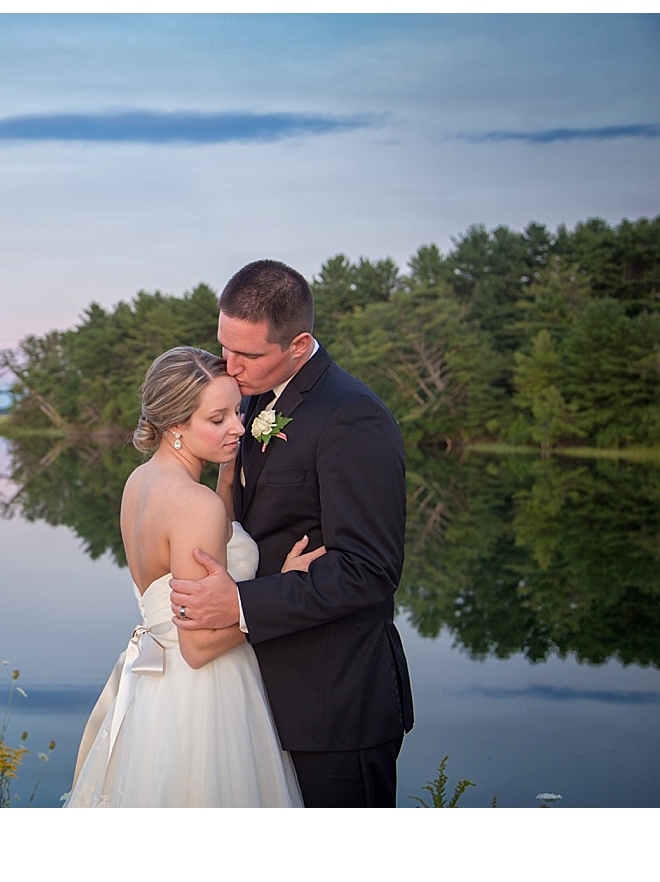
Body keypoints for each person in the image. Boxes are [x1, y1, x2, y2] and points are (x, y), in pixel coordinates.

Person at [169, 259, 415, 808]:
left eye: (247, 354)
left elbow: (369, 570)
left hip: (334, 707)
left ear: (299, 344)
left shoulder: (353, 418)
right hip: (258, 700)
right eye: (224, 347)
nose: (228, 368)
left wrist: (239, 602)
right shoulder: (251, 399)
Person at [64, 346, 320, 808]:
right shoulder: (194, 505)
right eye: (217, 419)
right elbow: (199, 646)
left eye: (237, 412)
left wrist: (224, 482)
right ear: (176, 425)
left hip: (156, 686)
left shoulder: (140, 482)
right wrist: (280, 587)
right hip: (207, 696)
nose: (239, 428)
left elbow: (190, 546)